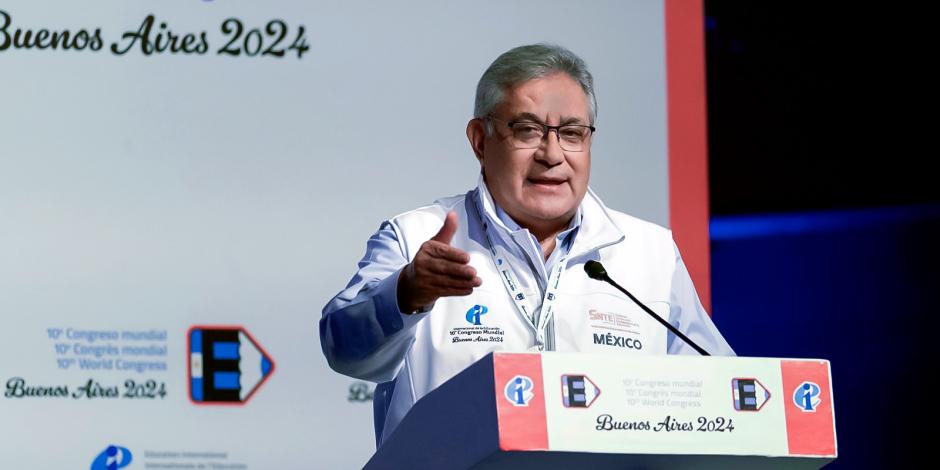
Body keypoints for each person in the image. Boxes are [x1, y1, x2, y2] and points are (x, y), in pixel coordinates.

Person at [320, 43, 734, 446]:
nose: (552, 154)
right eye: (528, 130)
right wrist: (406, 292)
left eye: (572, 133)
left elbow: (719, 393)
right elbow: (344, 350)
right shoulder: (415, 237)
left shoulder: (651, 253)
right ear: (480, 140)